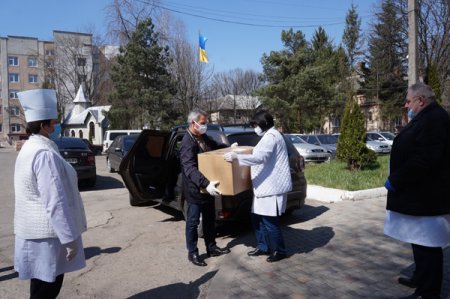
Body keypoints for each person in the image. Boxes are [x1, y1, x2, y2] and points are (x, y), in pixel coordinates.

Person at [14, 89, 87, 299]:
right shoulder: (44, 154)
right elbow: (55, 201)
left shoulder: (30, 148)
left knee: (39, 289)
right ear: (44, 126)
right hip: (47, 237)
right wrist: (69, 238)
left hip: (33, 235)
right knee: (46, 291)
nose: (56, 127)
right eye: (53, 123)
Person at [384, 83, 450, 299]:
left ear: (420, 101)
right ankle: (420, 278)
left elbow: (425, 160)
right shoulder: (426, 117)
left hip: (427, 197)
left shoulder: (435, 120)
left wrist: (396, 180)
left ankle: (428, 292)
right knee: (418, 240)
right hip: (417, 195)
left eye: (409, 101)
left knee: (427, 246)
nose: (406, 105)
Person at [224, 110, 292, 262]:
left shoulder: (272, 137)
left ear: (264, 123)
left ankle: (280, 251)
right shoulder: (269, 136)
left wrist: (237, 157)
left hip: (271, 188)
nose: (255, 127)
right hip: (264, 188)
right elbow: (258, 151)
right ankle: (263, 247)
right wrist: (237, 148)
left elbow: (261, 157)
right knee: (256, 218)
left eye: (255, 124)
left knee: (270, 222)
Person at [180, 108, 231, 266]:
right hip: (196, 189)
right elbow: (189, 168)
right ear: (193, 123)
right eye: (202, 123)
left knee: (209, 220)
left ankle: (211, 247)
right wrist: (205, 183)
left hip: (208, 188)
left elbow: (215, 147)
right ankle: (193, 252)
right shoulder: (187, 142)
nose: (205, 125)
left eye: (205, 122)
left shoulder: (203, 137)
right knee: (193, 222)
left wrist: (228, 147)